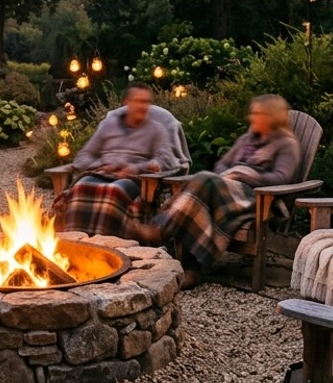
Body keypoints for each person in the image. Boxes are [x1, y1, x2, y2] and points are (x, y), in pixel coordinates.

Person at [126, 94, 300, 278]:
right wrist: (233, 172)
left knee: (205, 179)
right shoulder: (247, 139)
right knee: (197, 203)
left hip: (256, 200)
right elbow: (222, 166)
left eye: (258, 113)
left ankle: (159, 229)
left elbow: (281, 178)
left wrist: (243, 173)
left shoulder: (286, 144)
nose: (252, 117)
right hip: (228, 192)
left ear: (272, 116)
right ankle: (191, 271)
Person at [53, 82, 167, 237]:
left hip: (134, 178)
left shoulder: (156, 129)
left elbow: (163, 160)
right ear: (126, 102)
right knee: (80, 188)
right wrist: (102, 164)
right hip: (101, 173)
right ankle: (77, 243)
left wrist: (137, 168)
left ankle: (109, 248)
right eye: (139, 101)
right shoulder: (108, 125)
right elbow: (82, 157)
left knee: (115, 192)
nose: (143, 106)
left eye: (147, 102)